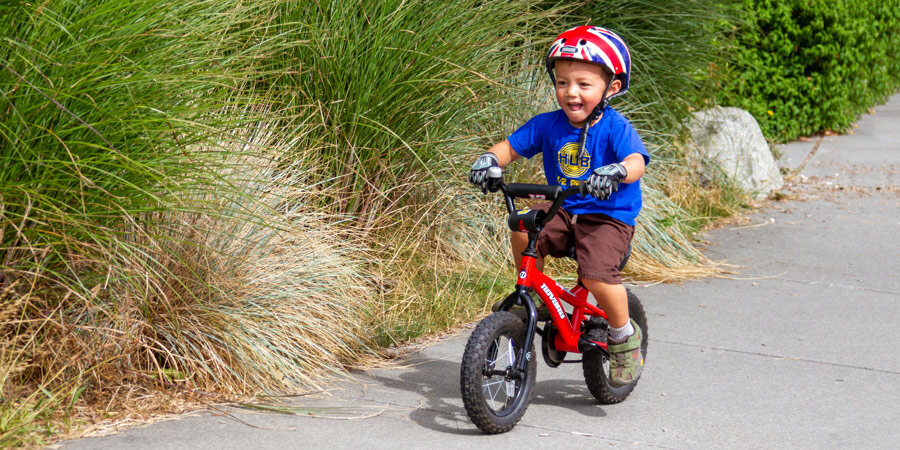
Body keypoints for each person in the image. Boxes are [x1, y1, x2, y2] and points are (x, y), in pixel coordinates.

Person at [468, 25, 649, 386]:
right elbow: (510, 147)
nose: (571, 92)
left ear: (610, 88)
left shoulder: (614, 127)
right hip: (563, 209)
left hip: (607, 216)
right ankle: (528, 289)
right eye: (563, 83)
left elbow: (637, 161)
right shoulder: (547, 125)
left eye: (584, 84)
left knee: (597, 273)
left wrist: (616, 171)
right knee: (522, 223)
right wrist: (490, 160)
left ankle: (623, 335)